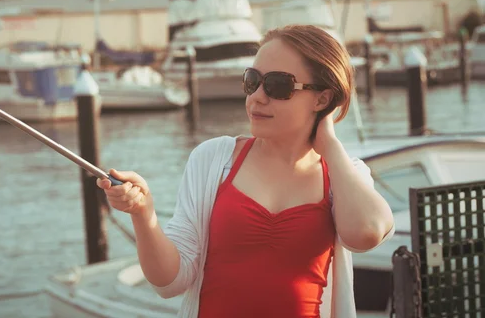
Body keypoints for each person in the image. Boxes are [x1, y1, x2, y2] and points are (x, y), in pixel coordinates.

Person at [96, 25, 395, 318]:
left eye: (278, 85)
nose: (257, 97)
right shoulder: (213, 159)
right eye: (252, 81)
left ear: (322, 99)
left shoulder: (343, 175)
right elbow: (170, 281)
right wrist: (143, 213)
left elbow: (366, 234)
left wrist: (328, 142)